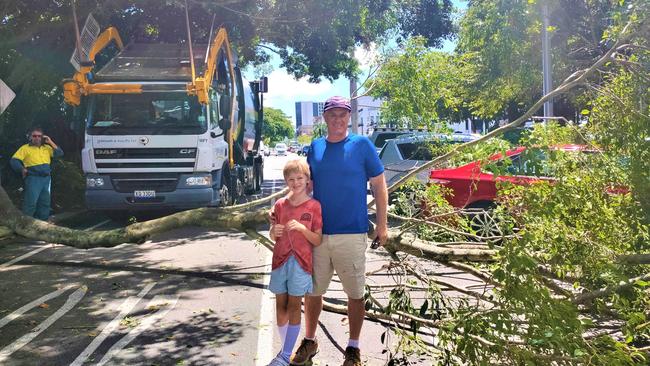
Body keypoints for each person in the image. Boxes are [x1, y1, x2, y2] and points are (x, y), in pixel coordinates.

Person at [291, 96, 388, 366]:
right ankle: (310, 341)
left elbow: (380, 186)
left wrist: (382, 225)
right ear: (324, 118)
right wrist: (283, 209)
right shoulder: (316, 147)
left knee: (355, 294)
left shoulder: (362, 146)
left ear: (349, 117)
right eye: (332, 115)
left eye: (342, 114)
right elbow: (305, 188)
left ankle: (353, 348)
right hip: (319, 234)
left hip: (352, 233)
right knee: (313, 292)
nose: (338, 119)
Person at [267, 159, 323, 366]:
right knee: (280, 308)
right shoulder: (280, 205)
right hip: (280, 261)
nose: (296, 182)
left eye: (300, 178)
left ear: (308, 180)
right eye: (291, 179)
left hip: (301, 263)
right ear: (286, 181)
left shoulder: (314, 206)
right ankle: (285, 351)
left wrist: (301, 228)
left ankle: (284, 355)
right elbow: (273, 234)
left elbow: (317, 239)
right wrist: (274, 231)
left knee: (293, 307)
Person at [10, 127, 63, 220]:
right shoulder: (25, 148)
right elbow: (14, 160)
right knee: (31, 203)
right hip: (33, 178)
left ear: (42, 137)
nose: (37, 138)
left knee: (45, 203)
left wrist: (50, 141)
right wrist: (22, 169)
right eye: (34, 136)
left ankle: (42, 223)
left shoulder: (46, 148)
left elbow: (60, 153)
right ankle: (25, 224)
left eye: (39, 136)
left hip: (46, 179)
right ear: (30, 137)